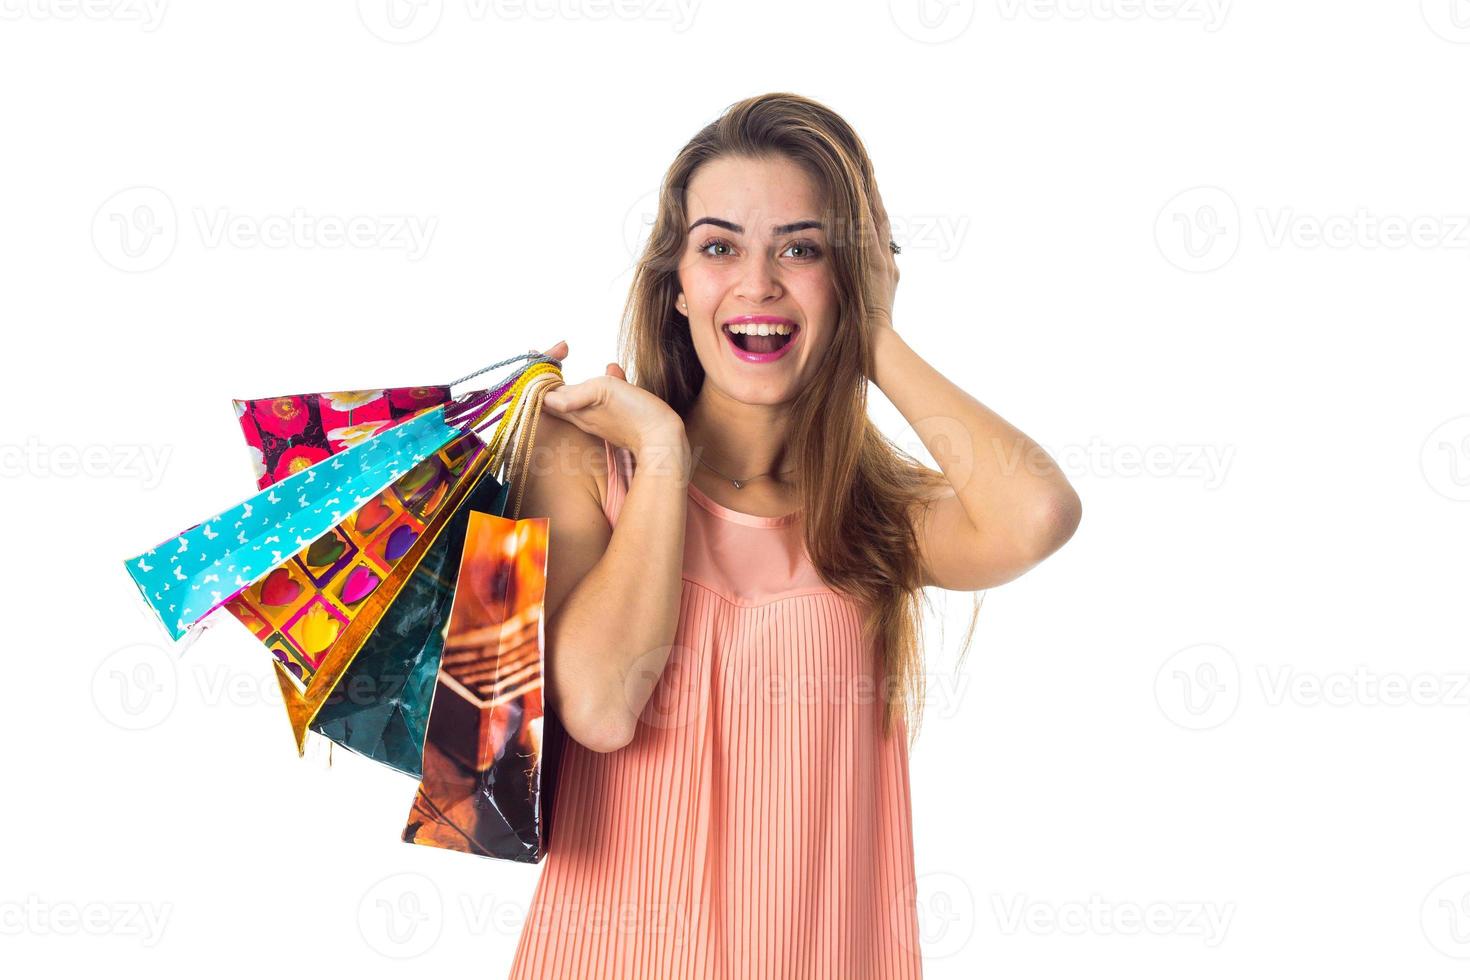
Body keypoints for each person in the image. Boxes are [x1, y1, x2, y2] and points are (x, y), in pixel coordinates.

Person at [507, 92, 1082, 979]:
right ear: (678, 285)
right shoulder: (590, 461)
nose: (759, 283)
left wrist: (876, 331)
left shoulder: (874, 517)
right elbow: (601, 707)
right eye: (720, 246)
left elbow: (1040, 514)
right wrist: (662, 455)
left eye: (803, 250)